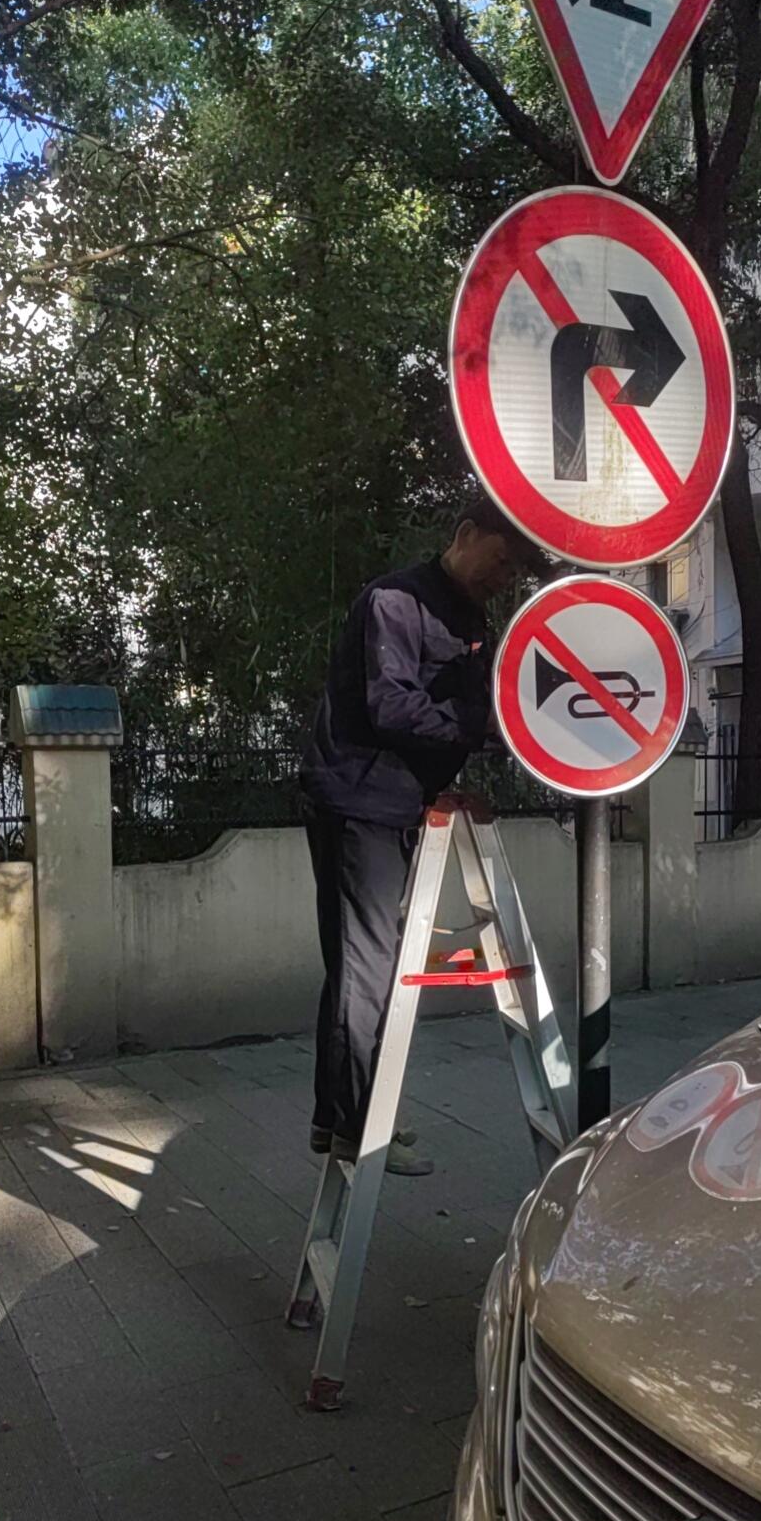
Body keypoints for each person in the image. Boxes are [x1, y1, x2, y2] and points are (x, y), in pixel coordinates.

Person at [299, 496, 542, 1176]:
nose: (502, 578)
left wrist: (449, 776)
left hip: (400, 802)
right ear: (465, 534)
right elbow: (393, 707)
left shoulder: (470, 618)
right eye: (499, 561)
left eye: (512, 572)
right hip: (358, 801)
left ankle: (337, 1116)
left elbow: (460, 708)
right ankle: (356, 1127)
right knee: (366, 966)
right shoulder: (396, 603)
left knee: (363, 963)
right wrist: (487, 723)